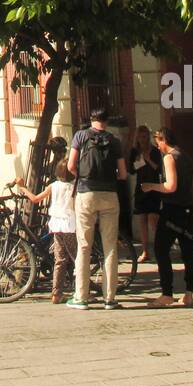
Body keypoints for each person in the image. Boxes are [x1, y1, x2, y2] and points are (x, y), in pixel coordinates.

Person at [66, 108, 127, 310]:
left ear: (91, 120)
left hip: (86, 193)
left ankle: (81, 297)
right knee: (110, 246)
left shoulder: (80, 136)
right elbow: (123, 174)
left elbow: (71, 165)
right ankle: (110, 298)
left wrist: (82, 177)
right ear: (107, 121)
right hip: (109, 194)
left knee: (84, 245)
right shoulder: (114, 140)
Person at [142, 126, 193, 307]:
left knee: (160, 249)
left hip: (172, 210)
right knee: (188, 253)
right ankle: (189, 293)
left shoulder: (169, 157)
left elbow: (170, 186)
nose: (157, 146)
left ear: (163, 140)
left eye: (158, 142)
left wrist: (151, 186)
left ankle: (167, 293)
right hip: (187, 210)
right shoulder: (186, 156)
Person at [15, 159, 77, 303]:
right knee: (77, 258)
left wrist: (23, 188)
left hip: (56, 225)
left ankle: (56, 293)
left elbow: (35, 199)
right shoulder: (75, 187)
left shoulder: (53, 186)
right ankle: (82, 290)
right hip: (70, 225)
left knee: (59, 260)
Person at [127, 123, 163, 262]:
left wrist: (147, 159)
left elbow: (158, 168)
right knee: (142, 220)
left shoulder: (154, 151)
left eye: (145, 136)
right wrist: (137, 160)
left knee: (153, 221)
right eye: (140, 137)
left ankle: (159, 249)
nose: (142, 139)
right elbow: (131, 170)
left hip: (153, 188)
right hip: (141, 188)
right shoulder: (135, 152)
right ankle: (145, 251)